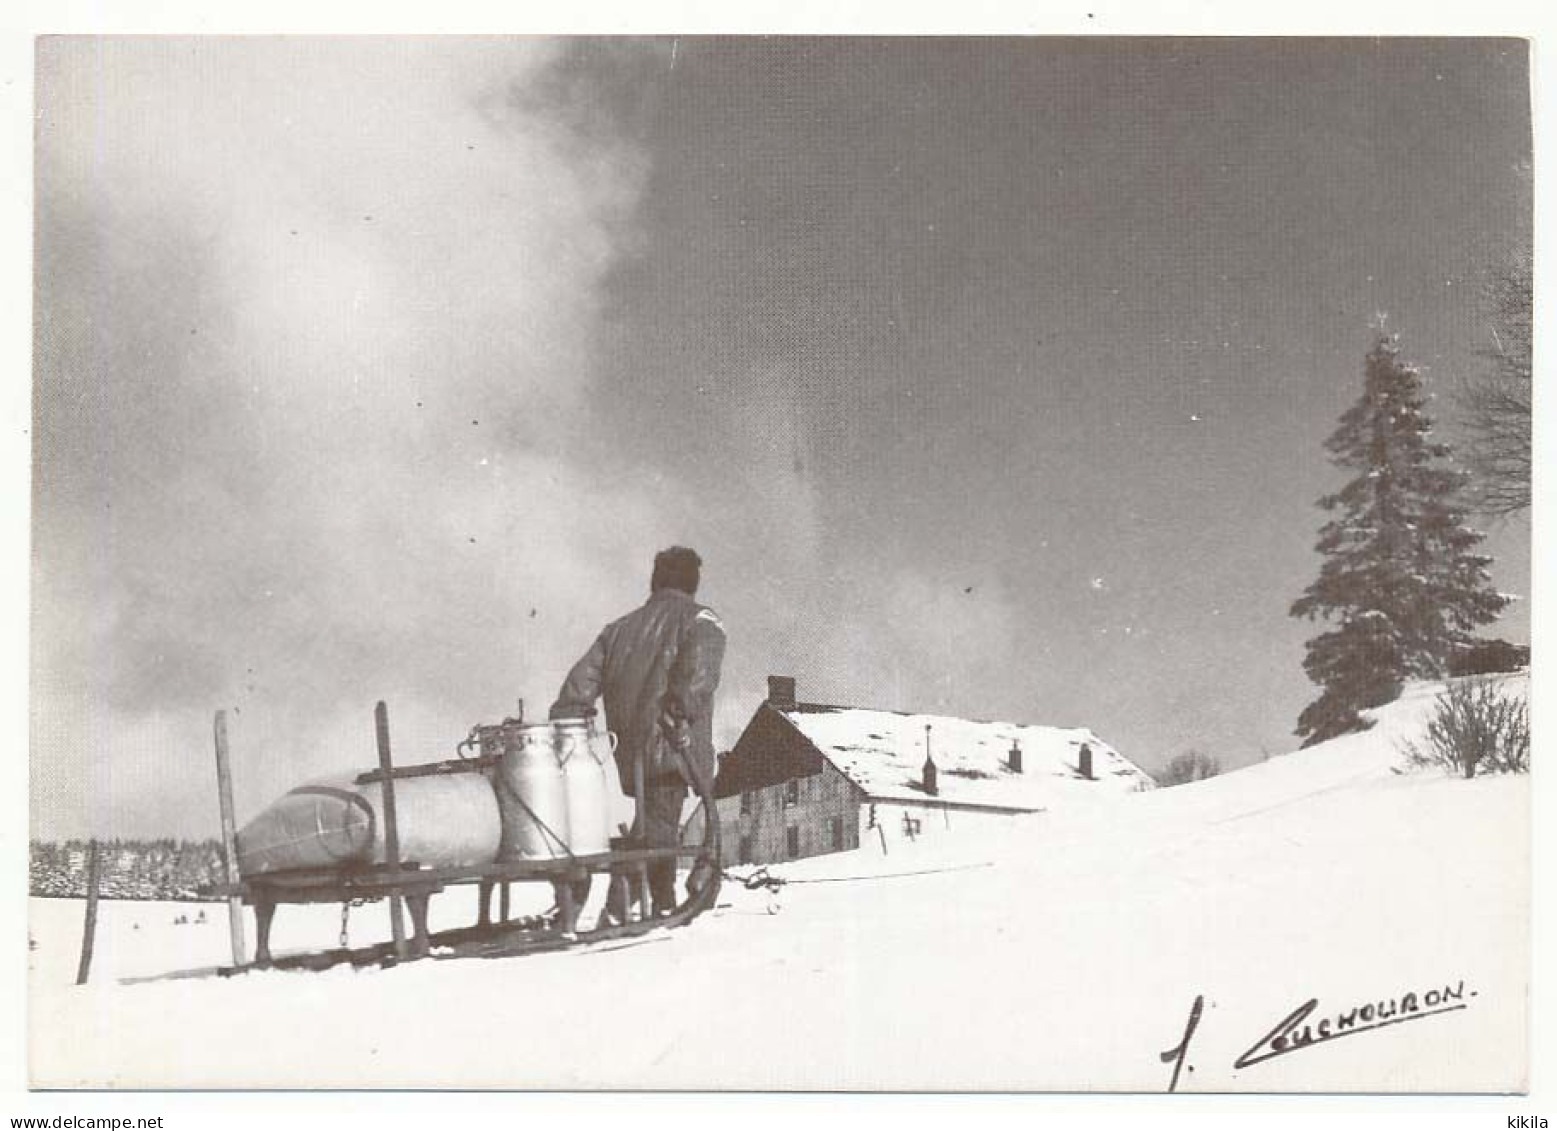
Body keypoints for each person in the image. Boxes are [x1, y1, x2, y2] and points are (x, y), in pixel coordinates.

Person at [550, 546, 726, 921]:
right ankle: (618, 905)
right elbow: (698, 682)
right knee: (657, 828)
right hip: (673, 746)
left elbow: (575, 692)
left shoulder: (618, 631)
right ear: (693, 583)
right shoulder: (701, 621)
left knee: (655, 820)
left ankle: (661, 900)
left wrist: (573, 728)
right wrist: (678, 716)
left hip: (630, 754)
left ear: (655, 581)